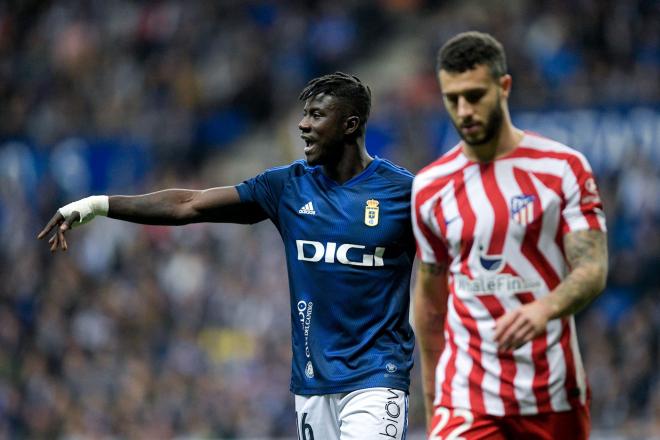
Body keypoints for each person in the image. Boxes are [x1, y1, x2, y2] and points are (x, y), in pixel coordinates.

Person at [38, 72, 416, 440]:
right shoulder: (287, 186)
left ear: (350, 125)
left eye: (316, 115)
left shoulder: (404, 194)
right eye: (304, 114)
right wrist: (98, 204)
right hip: (313, 382)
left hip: (377, 378)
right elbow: (189, 205)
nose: (302, 124)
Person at [411, 32, 608, 439]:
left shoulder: (563, 169)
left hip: (552, 393)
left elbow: (592, 268)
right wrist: (435, 404)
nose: (464, 110)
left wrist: (544, 308)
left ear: (504, 87)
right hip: (466, 398)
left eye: (475, 95)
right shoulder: (429, 187)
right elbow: (430, 306)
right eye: (452, 99)